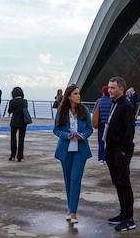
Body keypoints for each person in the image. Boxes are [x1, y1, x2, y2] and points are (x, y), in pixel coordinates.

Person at [53, 84, 93, 225]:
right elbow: (56, 129)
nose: (78, 96)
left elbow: (90, 129)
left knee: (75, 179)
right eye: (75, 94)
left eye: (79, 93)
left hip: (80, 150)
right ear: (69, 96)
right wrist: (66, 135)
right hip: (65, 150)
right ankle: (70, 209)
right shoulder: (61, 111)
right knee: (68, 180)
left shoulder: (85, 110)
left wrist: (82, 135)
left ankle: (74, 212)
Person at [105, 76, 136, 232]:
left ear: (121, 89)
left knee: (124, 183)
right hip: (111, 150)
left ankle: (129, 219)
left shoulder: (126, 106)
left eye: (112, 88)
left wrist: (123, 152)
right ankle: (122, 214)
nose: (109, 90)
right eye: (109, 87)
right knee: (117, 182)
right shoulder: (115, 104)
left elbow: (130, 132)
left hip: (120, 151)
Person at [8, 87, 28, 162]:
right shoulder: (24, 101)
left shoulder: (12, 102)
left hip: (14, 121)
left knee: (13, 139)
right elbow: (25, 110)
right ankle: (20, 156)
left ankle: (12, 155)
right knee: (21, 139)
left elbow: (9, 111)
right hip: (23, 122)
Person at [96, 85, 112, 164]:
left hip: (100, 124)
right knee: (109, 142)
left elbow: (95, 111)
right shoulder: (112, 101)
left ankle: (101, 159)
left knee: (101, 141)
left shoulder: (99, 101)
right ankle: (107, 157)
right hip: (109, 124)